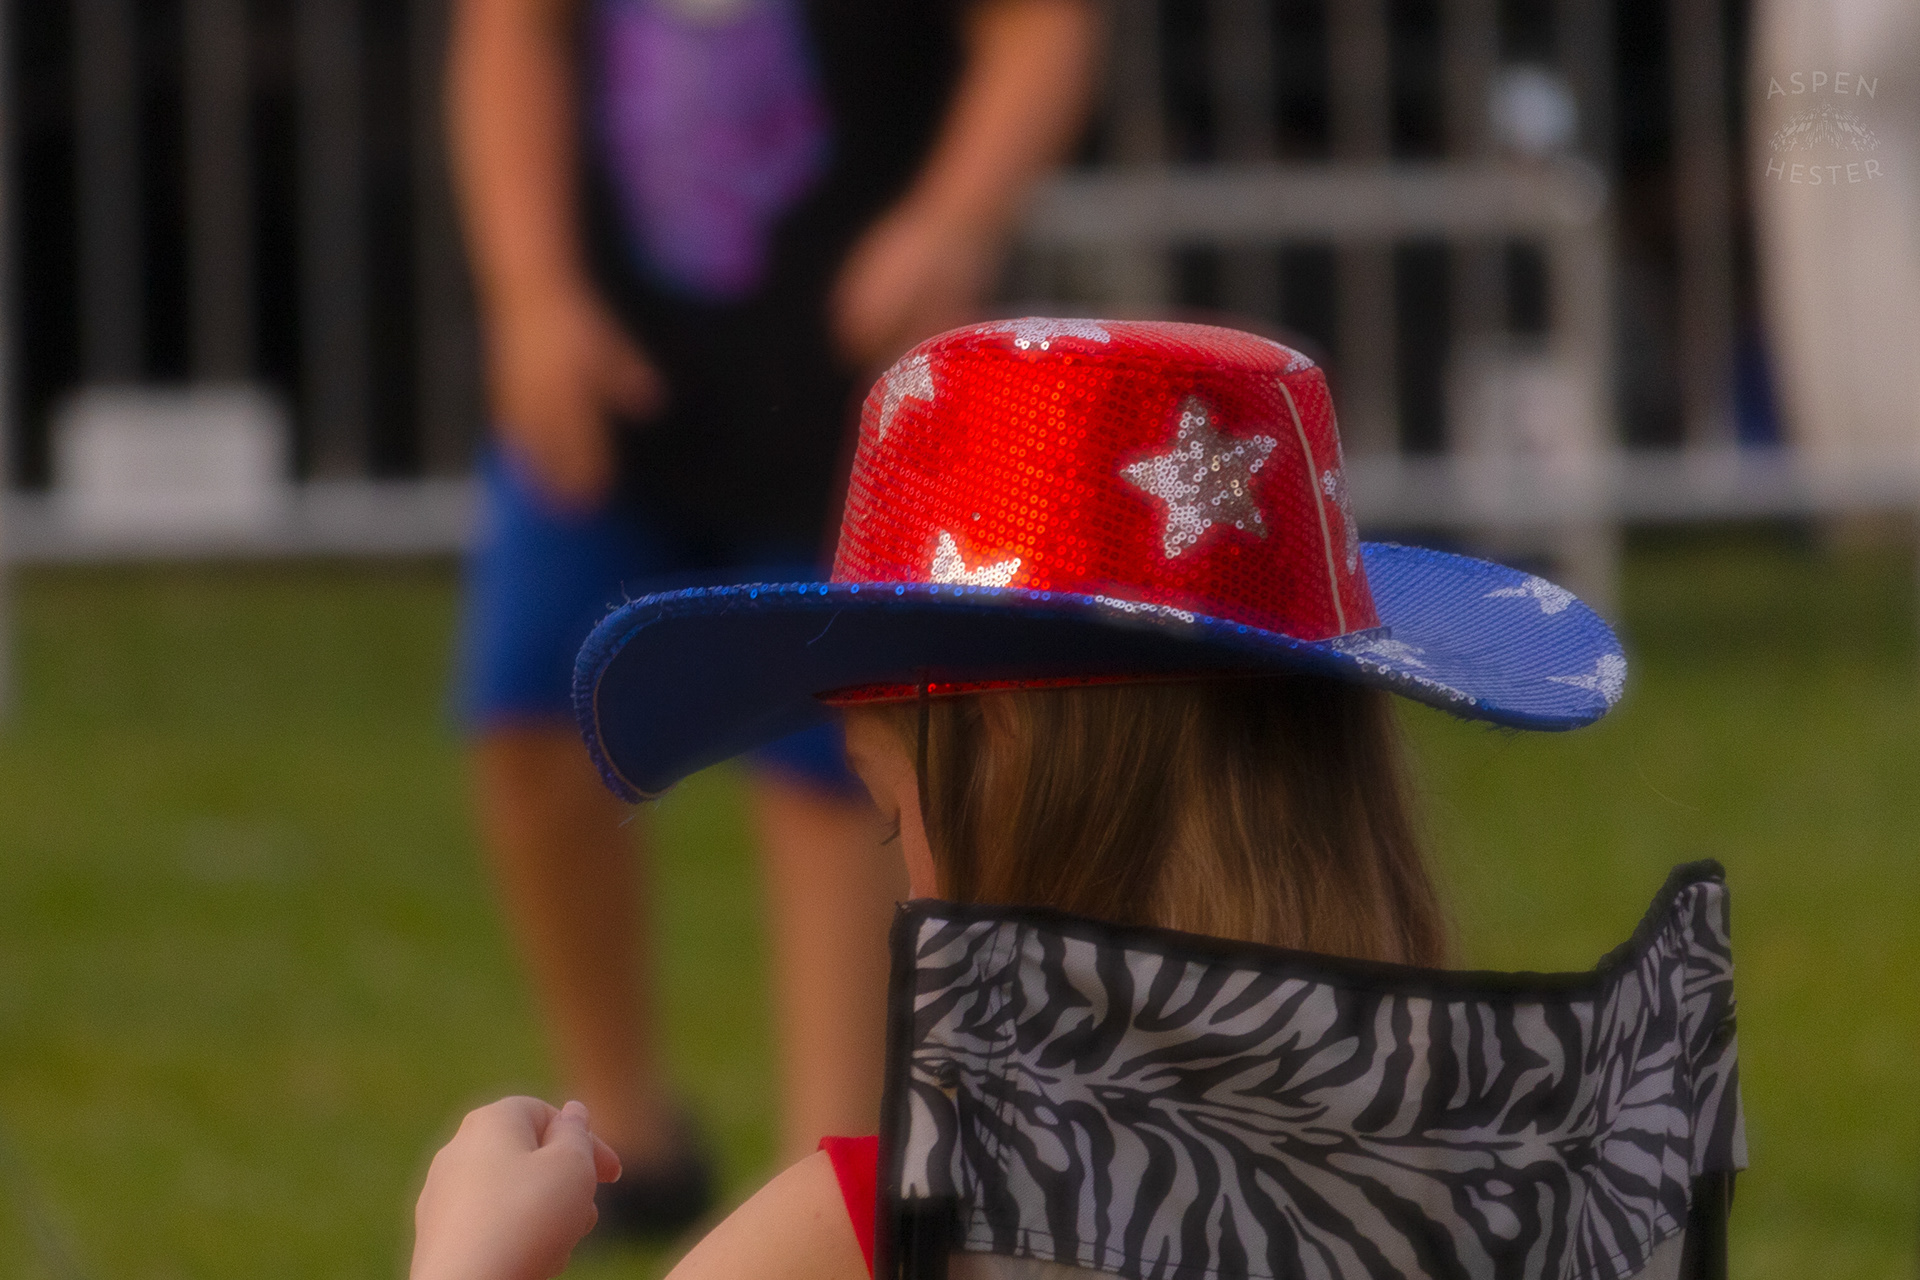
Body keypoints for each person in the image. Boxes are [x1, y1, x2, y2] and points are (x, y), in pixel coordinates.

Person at [412, 320, 1735, 1280]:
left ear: (1000, 773)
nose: (899, 890)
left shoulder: (876, 1235)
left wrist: (470, 1259)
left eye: (891, 812)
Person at [444, 0, 1103, 1230]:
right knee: (530, 704)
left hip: (854, 371)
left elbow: (1040, 27)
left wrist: (954, 224)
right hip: (617, 358)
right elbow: (510, 34)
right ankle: (626, 1134)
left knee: (838, 764)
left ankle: (831, 1181)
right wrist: (530, 293)